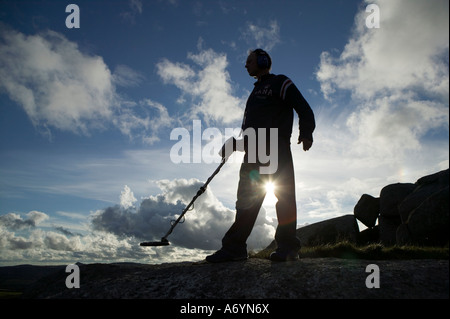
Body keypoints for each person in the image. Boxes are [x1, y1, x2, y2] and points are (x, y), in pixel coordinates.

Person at [206, 49, 315, 262]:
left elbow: (303, 107)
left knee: (283, 197)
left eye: (249, 61)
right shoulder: (254, 93)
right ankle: (234, 248)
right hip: (253, 152)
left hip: (275, 147)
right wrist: (235, 145)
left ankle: (288, 247)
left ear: (263, 61)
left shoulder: (280, 83)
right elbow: (252, 132)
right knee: (245, 199)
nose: (246, 65)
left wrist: (306, 132)